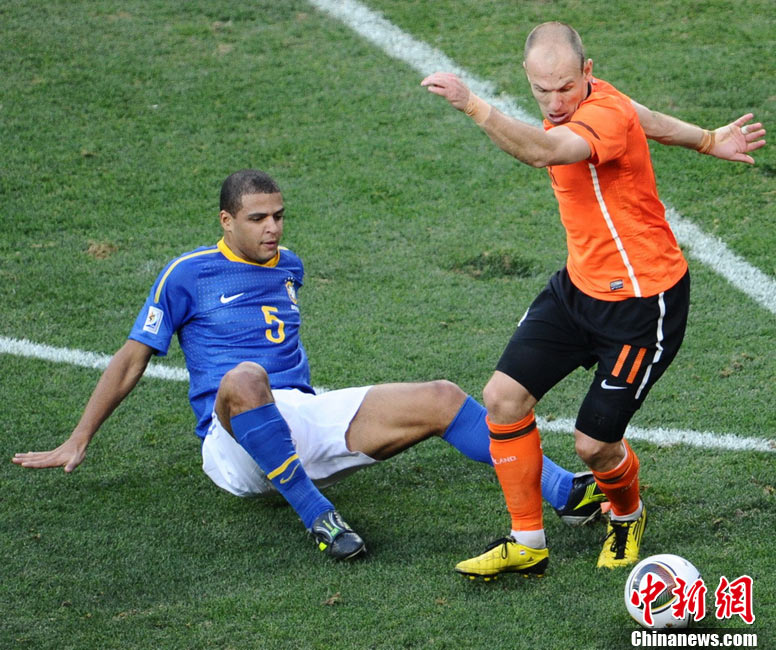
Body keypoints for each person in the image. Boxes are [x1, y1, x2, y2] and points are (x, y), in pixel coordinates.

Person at [13, 169, 606, 562]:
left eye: (278, 215)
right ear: (226, 221)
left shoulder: (289, 265)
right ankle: (320, 520)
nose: (272, 228)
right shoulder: (187, 273)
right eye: (257, 219)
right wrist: (79, 437)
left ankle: (567, 494)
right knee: (245, 376)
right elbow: (129, 360)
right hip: (231, 441)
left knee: (443, 396)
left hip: (300, 414)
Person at [421, 22, 765, 576]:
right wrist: (707, 139)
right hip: (578, 289)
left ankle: (627, 515)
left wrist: (473, 106)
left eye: (565, 87)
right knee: (503, 399)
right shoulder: (601, 100)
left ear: (587, 71)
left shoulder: (598, 114)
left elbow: (546, 151)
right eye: (542, 90)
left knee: (594, 446)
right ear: (528, 77)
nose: (555, 103)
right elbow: (647, 118)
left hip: (641, 305)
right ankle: (527, 542)